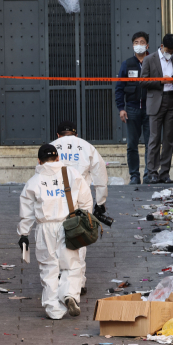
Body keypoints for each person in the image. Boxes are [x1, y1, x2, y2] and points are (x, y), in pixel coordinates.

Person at [17, 144, 93, 320]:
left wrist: (23, 234)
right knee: (72, 264)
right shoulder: (72, 174)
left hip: (45, 228)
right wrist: (84, 220)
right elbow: (86, 200)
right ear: (58, 158)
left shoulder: (34, 182)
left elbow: (26, 212)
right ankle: (69, 294)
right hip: (69, 225)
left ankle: (54, 309)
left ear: (39, 161)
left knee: (48, 267)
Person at [50, 120, 108, 296]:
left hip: (55, 198)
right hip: (81, 200)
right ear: (75, 134)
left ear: (58, 135)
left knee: (56, 237)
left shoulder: (51, 147)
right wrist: (101, 201)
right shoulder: (87, 147)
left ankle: (60, 276)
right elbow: (100, 175)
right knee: (80, 239)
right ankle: (79, 282)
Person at [140, 34, 173, 184]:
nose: (170, 53)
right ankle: (152, 173)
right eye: (168, 50)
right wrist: (160, 81)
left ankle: (164, 173)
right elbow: (143, 81)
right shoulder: (149, 59)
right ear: (162, 46)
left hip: (172, 100)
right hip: (156, 101)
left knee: (169, 139)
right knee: (154, 139)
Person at [115, 31, 151, 184]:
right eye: (136, 42)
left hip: (150, 110)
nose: (139, 45)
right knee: (132, 145)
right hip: (132, 109)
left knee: (151, 144)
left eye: (141, 42)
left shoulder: (153, 62)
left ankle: (149, 175)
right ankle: (134, 176)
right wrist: (121, 108)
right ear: (132, 45)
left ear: (147, 45)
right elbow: (119, 88)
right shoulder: (127, 64)